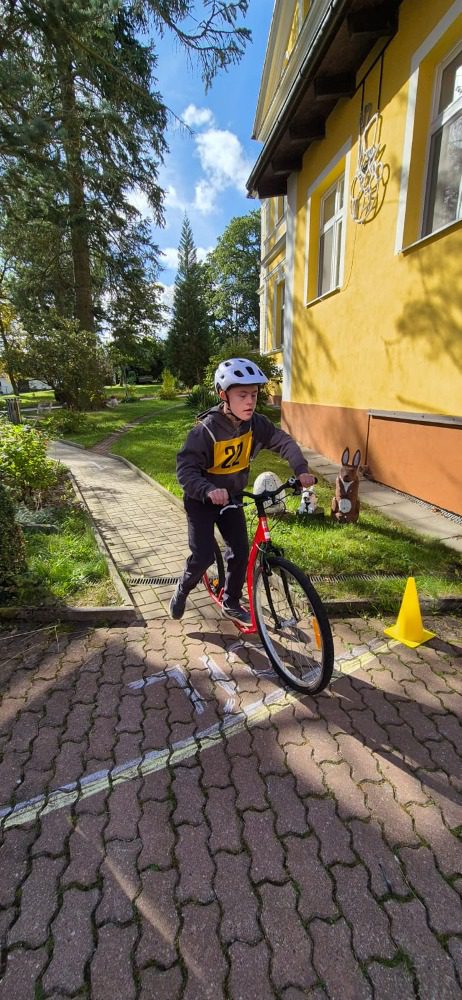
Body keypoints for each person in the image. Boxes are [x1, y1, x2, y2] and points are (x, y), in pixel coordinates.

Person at [169, 357, 316, 623]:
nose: (250, 401)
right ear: (223, 395)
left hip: (231, 498)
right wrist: (207, 489)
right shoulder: (206, 430)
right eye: (242, 395)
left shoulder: (255, 424)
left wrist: (301, 469)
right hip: (201, 500)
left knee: (239, 551)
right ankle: (183, 589)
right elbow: (186, 470)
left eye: (254, 394)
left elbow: (283, 441)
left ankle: (231, 601)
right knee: (203, 556)